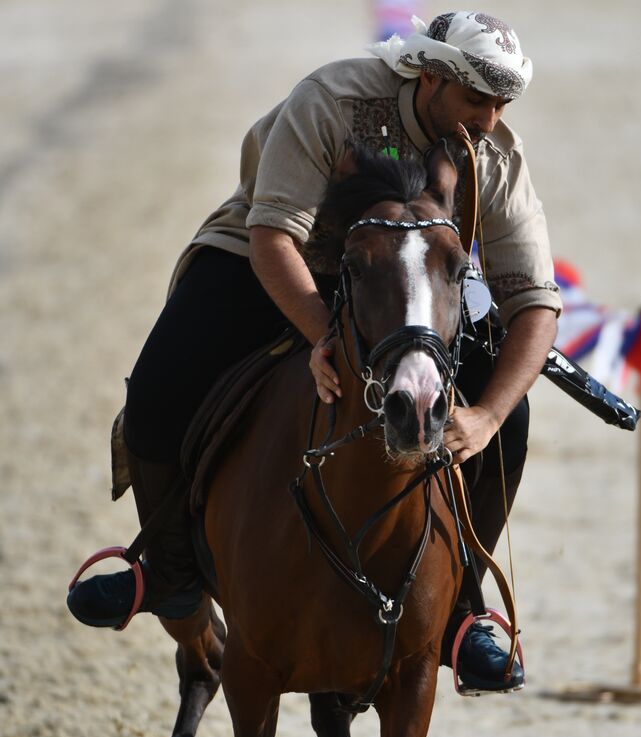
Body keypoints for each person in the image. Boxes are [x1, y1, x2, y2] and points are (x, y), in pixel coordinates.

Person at [67, 11, 562, 693]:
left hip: (404, 282)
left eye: (502, 103)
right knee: (158, 389)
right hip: (275, 254)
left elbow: (535, 302)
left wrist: (486, 416)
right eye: (478, 99)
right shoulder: (332, 101)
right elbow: (274, 238)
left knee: (516, 419)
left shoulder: (494, 154)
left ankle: (461, 609)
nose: (490, 117)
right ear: (431, 76)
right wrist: (322, 336)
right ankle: (169, 568)